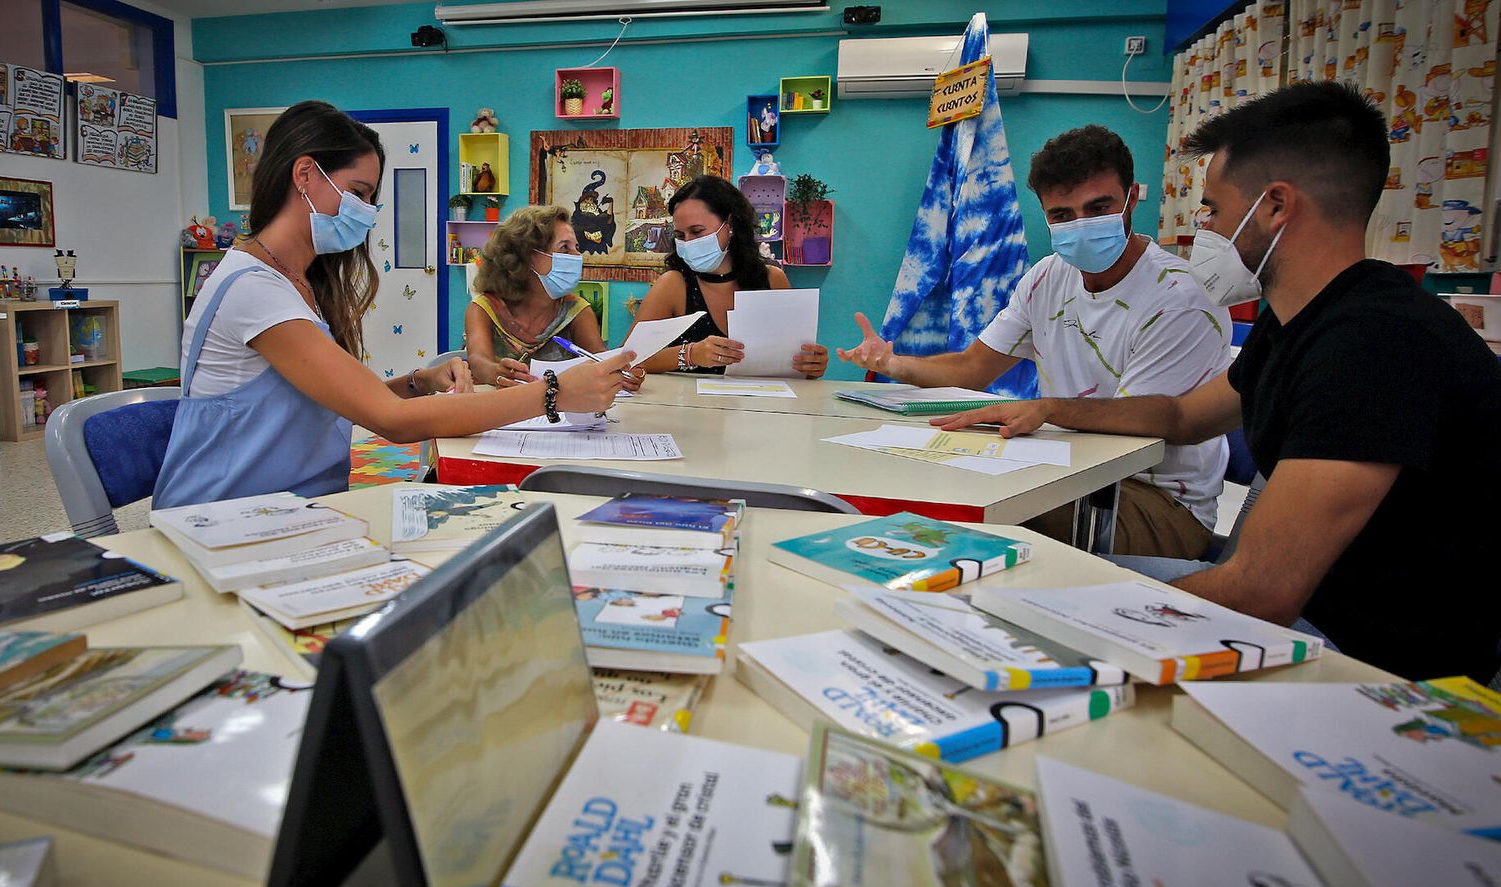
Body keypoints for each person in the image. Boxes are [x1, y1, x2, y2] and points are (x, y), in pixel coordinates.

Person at [936, 81, 1501, 683]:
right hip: (1302, 612)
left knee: (999, 597)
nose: (1205, 228)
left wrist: (1068, 625)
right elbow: (1180, 417)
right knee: (997, 577)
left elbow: (1261, 592)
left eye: (1214, 210)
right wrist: (1047, 407)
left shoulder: (1373, 344)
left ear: (1276, 207)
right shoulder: (1301, 324)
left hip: (1375, 662)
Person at [156, 101, 628, 508]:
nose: (366, 210)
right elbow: (392, 422)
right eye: (359, 193)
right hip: (225, 519)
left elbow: (333, 399)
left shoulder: (295, 282)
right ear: (304, 175)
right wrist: (553, 393)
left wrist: (418, 382)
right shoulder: (254, 290)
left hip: (293, 506)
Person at [839, 125, 1231, 560]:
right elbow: (973, 368)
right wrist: (894, 363)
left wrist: (1046, 409)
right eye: (1062, 215)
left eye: (1098, 208)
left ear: (1131, 200)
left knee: (963, 514)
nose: (1081, 226)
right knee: (920, 483)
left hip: (1157, 502)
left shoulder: (1179, 299)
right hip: (1071, 469)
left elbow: (1139, 427)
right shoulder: (1047, 277)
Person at [632, 175, 828, 377]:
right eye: (680, 236)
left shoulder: (772, 279)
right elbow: (627, 359)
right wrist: (688, 354)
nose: (688, 243)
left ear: (730, 224)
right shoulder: (673, 284)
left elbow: (799, 363)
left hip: (760, 406)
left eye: (697, 231)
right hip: (687, 407)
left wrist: (813, 365)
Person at [464, 205, 644, 393]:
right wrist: (496, 372)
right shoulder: (484, 309)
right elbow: (478, 362)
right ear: (527, 255)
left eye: (577, 248)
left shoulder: (576, 310)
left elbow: (600, 358)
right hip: (495, 411)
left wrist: (622, 372)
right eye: (565, 248)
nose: (577, 257)